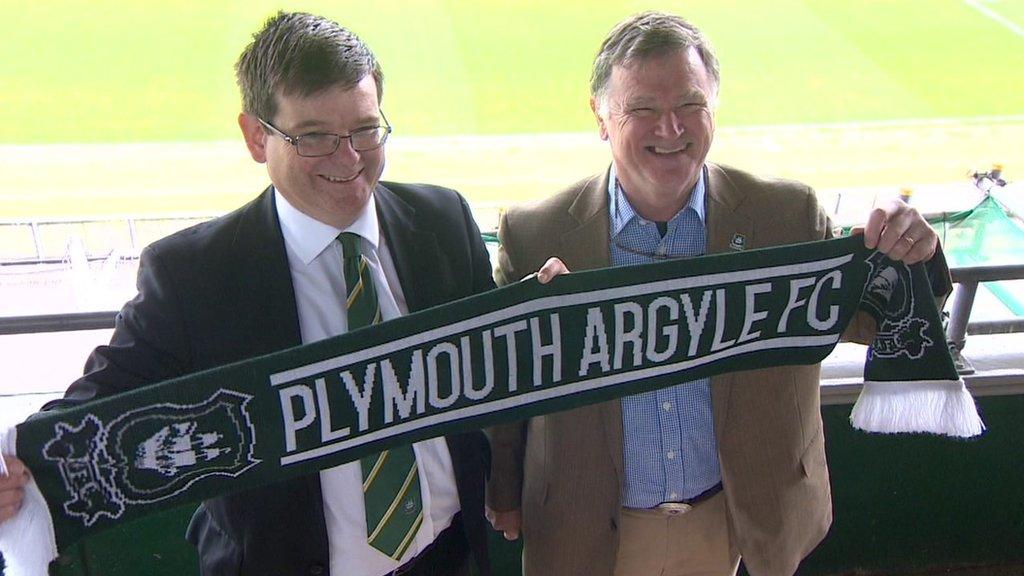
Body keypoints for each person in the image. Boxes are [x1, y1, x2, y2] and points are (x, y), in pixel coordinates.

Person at [0, 11, 494, 576]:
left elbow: (494, 357)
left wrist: (548, 300)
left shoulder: (444, 220)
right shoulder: (194, 276)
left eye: (364, 129)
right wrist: (11, 462)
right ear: (257, 137)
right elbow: (99, 405)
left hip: (447, 557)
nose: (349, 158)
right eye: (314, 138)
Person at [485, 11, 946, 576]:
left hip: (735, 523)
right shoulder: (536, 234)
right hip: (586, 532)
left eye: (689, 105)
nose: (670, 129)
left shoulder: (787, 216)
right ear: (601, 117)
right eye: (643, 110)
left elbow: (871, 317)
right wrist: (504, 489)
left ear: (714, 108)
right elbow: (503, 390)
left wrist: (912, 250)